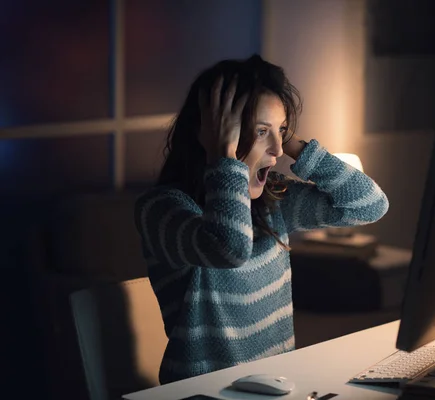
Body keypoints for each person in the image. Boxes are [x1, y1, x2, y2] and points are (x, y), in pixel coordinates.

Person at [134, 54, 389, 384]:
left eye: (282, 131)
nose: (278, 150)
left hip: (277, 387)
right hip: (203, 392)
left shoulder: (273, 199)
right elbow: (229, 249)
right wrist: (223, 159)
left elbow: (369, 205)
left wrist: (296, 143)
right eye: (260, 131)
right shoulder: (161, 208)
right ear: (211, 134)